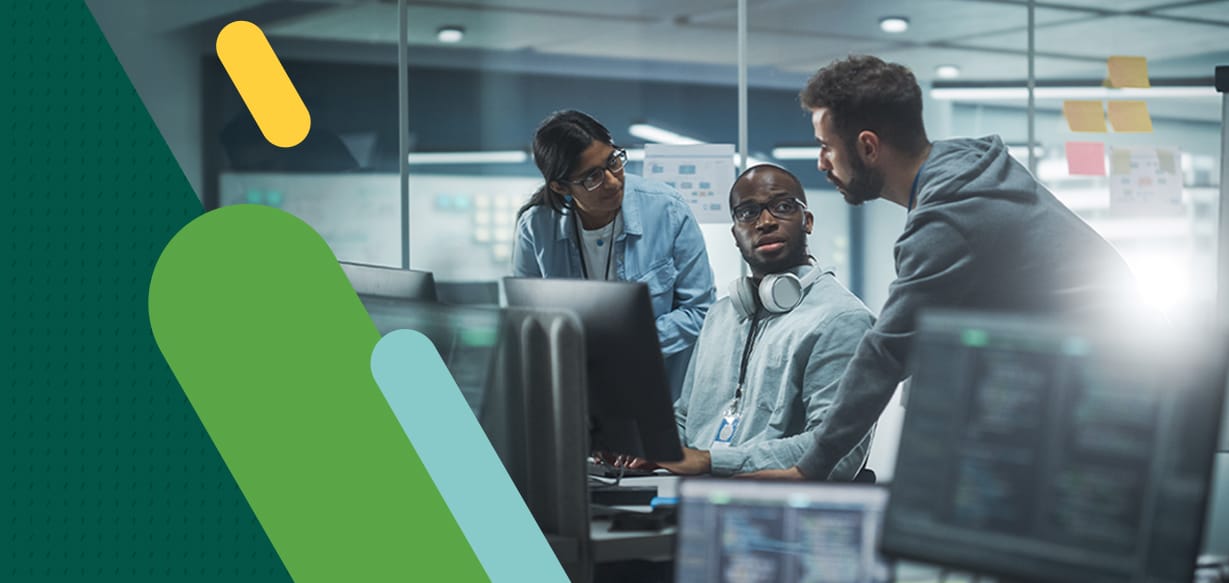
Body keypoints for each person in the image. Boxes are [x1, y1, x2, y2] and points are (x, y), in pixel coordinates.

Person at [753, 55, 1138, 480]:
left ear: (867, 147)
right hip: (1097, 394)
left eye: (826, 146)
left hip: (1104, 413)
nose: (822, 162)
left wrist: (809, 467)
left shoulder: (950, 217)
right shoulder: (965, 170)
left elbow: (887, 351)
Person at [649, 164, 876, 478]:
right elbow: (687, 419)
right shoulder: (721, 315)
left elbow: (838, 453)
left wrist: (710, 461)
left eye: (783, 208)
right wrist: (651, 448)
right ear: (735, 233)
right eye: (748, 213)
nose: (766, 222)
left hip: (773, 507)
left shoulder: (842, 319)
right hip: (693, 493)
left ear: (807, 221)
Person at [513, 110, 715, 398]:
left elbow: (700, 310)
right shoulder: (535, 228)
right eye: (592, 176)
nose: (613, 181)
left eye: (613, 161)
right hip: (577, 396)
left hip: (662, 393)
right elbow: (526, 323)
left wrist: (624, 344)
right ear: (560, 186)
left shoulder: (667, 209)